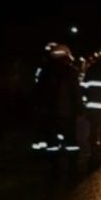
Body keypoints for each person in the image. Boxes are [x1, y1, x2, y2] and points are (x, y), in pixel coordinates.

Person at [33, 43, 83, 171]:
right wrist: (79, 107)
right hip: (67, 112)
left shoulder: (45, 71)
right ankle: (72, 165)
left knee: (52, 140)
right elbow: (76, 92)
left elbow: (39, 92)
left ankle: (54, 165)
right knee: (70, 139)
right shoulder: (70, 72)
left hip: (50, 112)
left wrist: (40, 108)